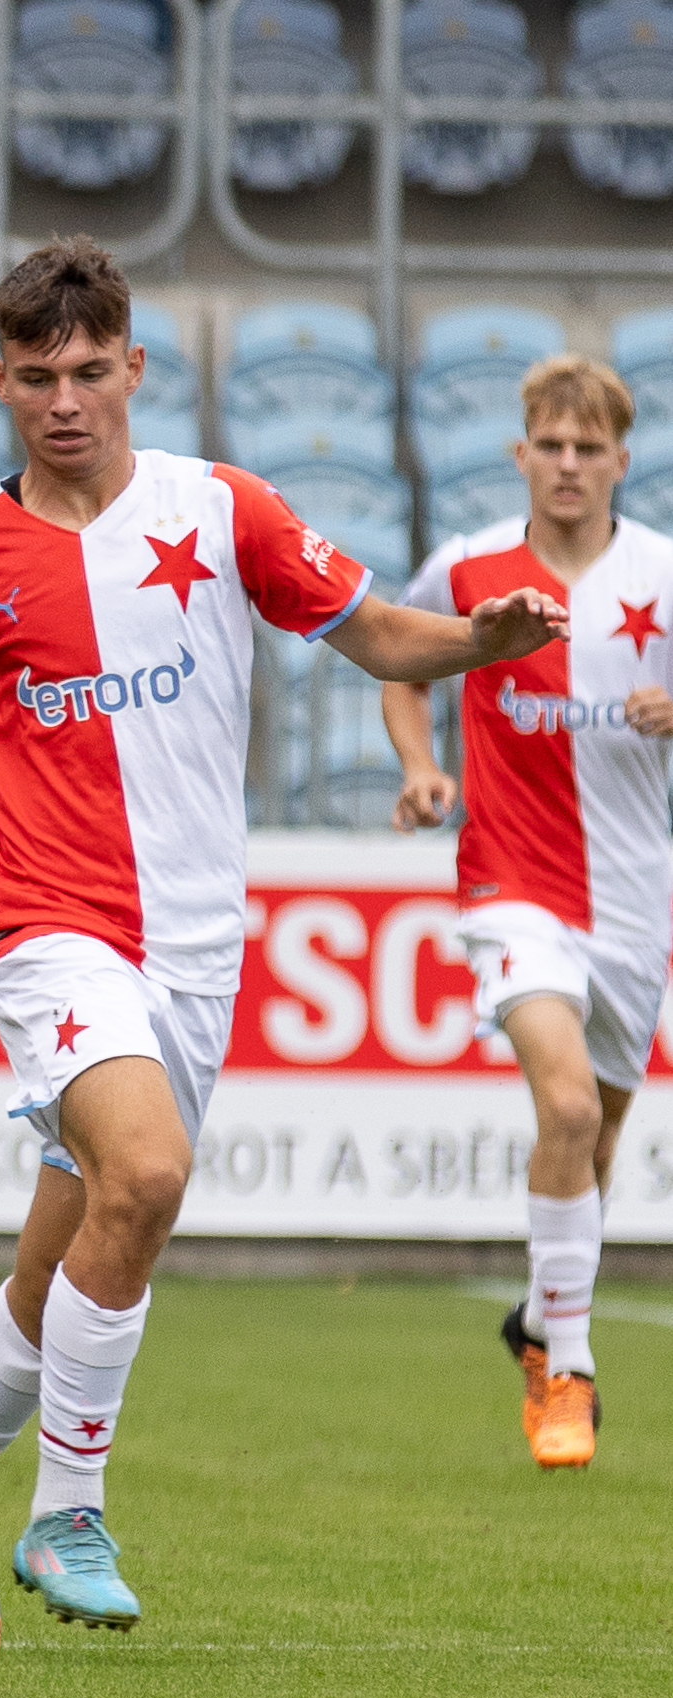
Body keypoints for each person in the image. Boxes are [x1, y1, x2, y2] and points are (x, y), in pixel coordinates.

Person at [0, 238, 567, 1629]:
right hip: (45, 924)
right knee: (143, 1174)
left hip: (197, 943)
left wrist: (483, 641)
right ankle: (66, 1513)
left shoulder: (221, 510)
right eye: (36, 377)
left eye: (90, 371)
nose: (65, 400)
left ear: (134, 366)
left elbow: (384, 634)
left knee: (72, 1247)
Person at [383, 356, 671, 1471]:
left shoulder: (661, 572)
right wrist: (421, 765)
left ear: (620, 462)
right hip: (512, 883)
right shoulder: (471, 566)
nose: (567, 464)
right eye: (549, 445)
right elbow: (401, 659)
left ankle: (538, 1321)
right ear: (520, 455)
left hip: (635, 898)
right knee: (561, 1105)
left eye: (587, 448)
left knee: (593, 1138)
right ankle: (573, 1370)